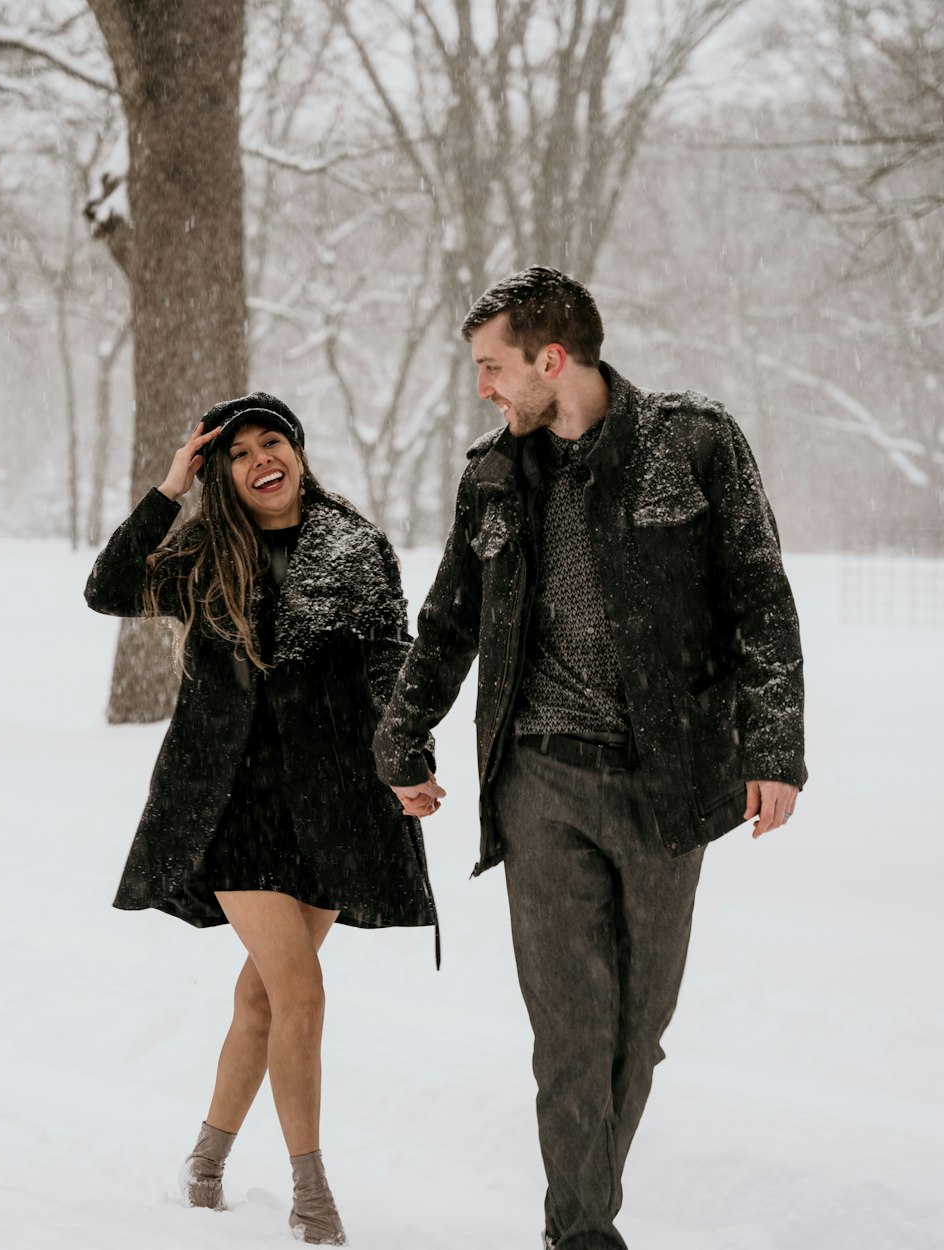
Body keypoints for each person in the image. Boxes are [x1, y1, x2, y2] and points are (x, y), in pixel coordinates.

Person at [373, 267, 806, 1250]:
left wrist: (773, 745)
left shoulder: (692, 444)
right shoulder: (494, 472)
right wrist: (399, 736)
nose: (483, 386)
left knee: (634, 1030)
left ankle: (582, 1205)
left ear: (551, 358)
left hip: (670, 780)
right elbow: (447, 621)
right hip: (540, 783)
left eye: (493, 366)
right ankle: (580, 1233)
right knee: (570, 1032)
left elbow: (760, 596)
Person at [85, 392, 436, 1246]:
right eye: (235, 454)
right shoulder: (206, 554)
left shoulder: (356, 550)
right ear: (222, 475)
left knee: (261, 996)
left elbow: (393, 665)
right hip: (233, 804)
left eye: (270, 442)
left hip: (332, 803)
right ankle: (310, 1194)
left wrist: (408, 764)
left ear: (297, 452)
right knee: (302, 992)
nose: (258, 460)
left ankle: (206, 1159)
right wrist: (170, 489)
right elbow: (109, 589)